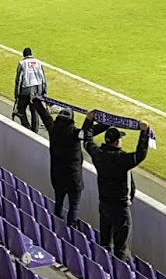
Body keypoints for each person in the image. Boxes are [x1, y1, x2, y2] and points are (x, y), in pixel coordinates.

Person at [83, 118, 150, 258]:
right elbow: (140, 154)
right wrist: (144, 133)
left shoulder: (98, 155)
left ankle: (103, 267)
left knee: (105, 241)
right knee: (121, 247)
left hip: (104, 204)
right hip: (120, 207)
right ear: (117, 141)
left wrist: (88, 121)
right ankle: (121, 275)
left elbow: (87, 140)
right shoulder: (121, 159)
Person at [31, 98, 84, 225]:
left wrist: (36, 102)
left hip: (57, 176)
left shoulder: (53, 129)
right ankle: (71, 232)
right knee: (74, 206)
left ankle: (57, 227)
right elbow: (89, 131)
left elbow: (45, 115)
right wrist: (100, 122)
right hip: (73, 178)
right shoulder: (74, 134)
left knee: (59, 203)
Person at [13, 47, 47, 133]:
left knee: (21, 109)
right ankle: (34, 130)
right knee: (34, 109)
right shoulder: (38, 63)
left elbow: (18, 80)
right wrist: (44, 91)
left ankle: (26, 127)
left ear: (24, 55)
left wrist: (16, 94)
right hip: (37, 89)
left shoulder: (22, 63)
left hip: (26, 89)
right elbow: (43, 78)